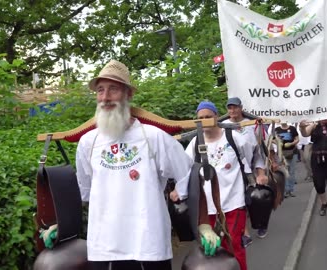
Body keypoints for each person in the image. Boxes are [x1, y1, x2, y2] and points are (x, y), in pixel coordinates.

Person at [75, 60, 220, 270]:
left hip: (149, 246)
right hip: (103, 247)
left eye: (113, 89)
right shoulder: (88, 142)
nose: (105, 97)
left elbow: (189, 177)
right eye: (100, 90)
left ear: (128, 94)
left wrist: (204, 224)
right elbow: (84, 191)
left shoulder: (154, 137)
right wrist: (58, 224)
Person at [185, 101, 268, 270]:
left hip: (233, 203)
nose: (205, 120)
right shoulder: (194, 143)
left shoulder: (234, 137)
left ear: (216, 116)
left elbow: (255, 156)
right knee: (211, 251)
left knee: (233, 246)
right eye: (201, 118)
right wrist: (176, 190)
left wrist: (260, 173)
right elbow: (184, 171)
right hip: (206, 209)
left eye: (208, 116)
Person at [223, 97, 268, 242]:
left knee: (258, 198)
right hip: (232, 170)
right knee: (238, 201)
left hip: (251, 166)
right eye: (230, 108)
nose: (232, 110)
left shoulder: (252, 125)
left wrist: (260, 173)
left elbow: (258, 151)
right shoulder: (222, 126)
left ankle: (261, 223)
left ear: (241, 108)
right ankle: (245, 233)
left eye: (235, 107)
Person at [275, 122, 299, 197]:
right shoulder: (277, 130)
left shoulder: (292, 128)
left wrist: (291, 143)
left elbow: (297, 139)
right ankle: (285, 190)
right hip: (281, 153)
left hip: (292, 152)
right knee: (284, 171)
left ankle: (291, 190)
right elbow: (272, 139)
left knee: (291, 171)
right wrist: (278, 143)